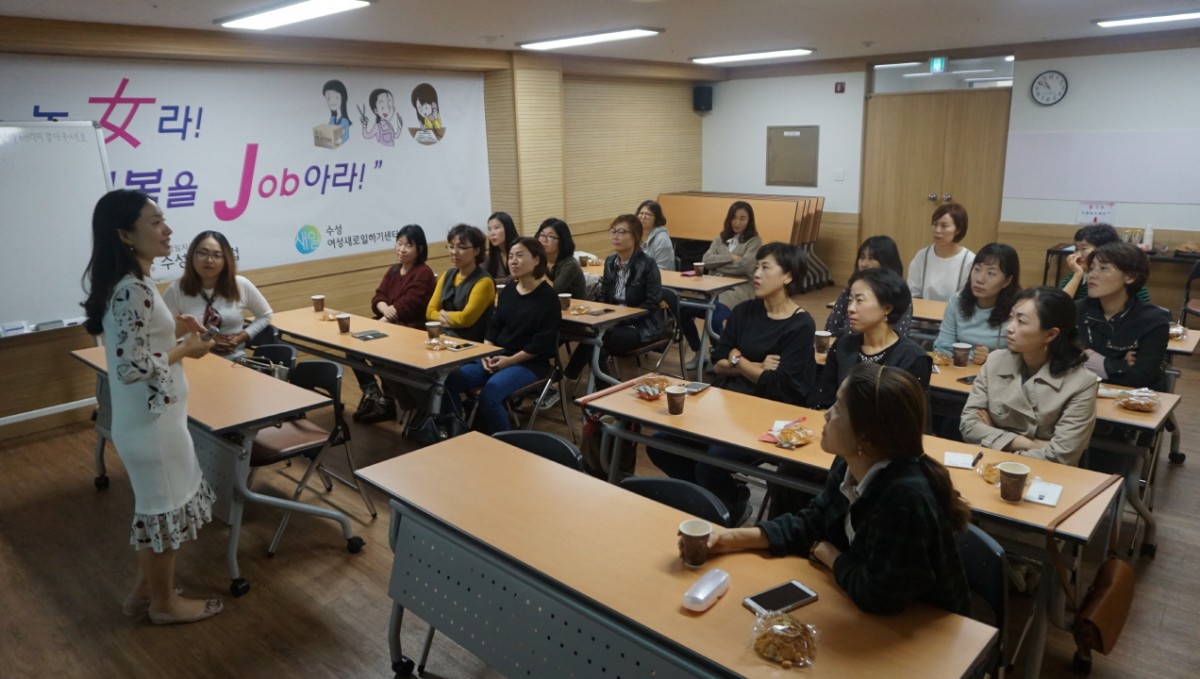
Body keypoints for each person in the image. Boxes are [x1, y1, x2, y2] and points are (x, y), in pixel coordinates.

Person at [693, 363, 972, 616]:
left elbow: (879, 597)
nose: (826, 414)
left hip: (926, 629)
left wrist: (829, 554)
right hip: (870, 613)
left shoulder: (903, 497)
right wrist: (731, 538)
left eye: (838, 408)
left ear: (865, 436)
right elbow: (811, 522)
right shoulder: (848, 463)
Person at [82, 189, 223, 624]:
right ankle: (164, 605)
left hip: (153, 421)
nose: (168, 230)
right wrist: (186, 349)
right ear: (125, 235)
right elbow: (130, 368)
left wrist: (175, 327)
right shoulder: (132, 289)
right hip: (153, 427)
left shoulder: (136, 282)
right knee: (163, 512)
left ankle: (145, 593)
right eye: (156, 222)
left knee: (162, 510)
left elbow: (140, 338)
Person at [648, 243, 817, 520]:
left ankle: (727, 505)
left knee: (709, 463)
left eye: (765, 267)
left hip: (765, 415)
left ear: (788, 276)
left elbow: (776, 384)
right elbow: (718, 363)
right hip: (725, 404)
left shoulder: (801, 325)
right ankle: (714, 499)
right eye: (756, 266)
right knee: (660, 444)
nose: (756, 273)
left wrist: (738, 360)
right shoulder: (743, 311)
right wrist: (753, 366)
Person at [961, 287, 1098, 466]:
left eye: (1021, 322)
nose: (1009, 328)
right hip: (986, 465)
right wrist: (1028, 443)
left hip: (1044, 475)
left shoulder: (1081, 383)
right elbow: (969, 425)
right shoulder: (995, 361)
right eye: (1011, 317)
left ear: (1051, 334)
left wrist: (994, 435)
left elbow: (1061, 456)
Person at [444, 237, 559, 433]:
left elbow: (542, 343)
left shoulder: (548, 297)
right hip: (497, 356)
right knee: (449, 380)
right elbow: (494, 326)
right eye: (511, 256)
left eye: (519, 256)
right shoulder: (508, 291)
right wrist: (486, 353)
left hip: (529, 363)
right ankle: (458, 431)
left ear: (536, 260)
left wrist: (509, 361)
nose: (513, 261)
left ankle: (504, 443)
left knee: (490, 394)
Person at [810, 268, 930, 409]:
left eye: (859, 300)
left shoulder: (913, 358)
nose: (850, 308)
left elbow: (908, 416)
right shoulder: (843, 344)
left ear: (887, 308)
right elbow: (822, 399)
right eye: (850, 300)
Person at [564, 214, 664, 382]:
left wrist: (620, 319)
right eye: (613, 231)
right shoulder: (610, 261)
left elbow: (652, 304)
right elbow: (604, 295)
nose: (616, 236)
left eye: (622, 232)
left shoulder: (648, 264)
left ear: (635, 236)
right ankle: (605, 391)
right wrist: (599, 315)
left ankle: (568, 377)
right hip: (613, 321)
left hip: (640, 326)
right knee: (596, 346)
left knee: (597, 340)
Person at [353, 225, 437, 423]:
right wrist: (385, 311)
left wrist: (383, 321)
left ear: (420, 248)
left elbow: (408, 305)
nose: (402, 249)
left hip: (410, 330)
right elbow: (378, 297)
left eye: (408, 245)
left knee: (379, 353)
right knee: (353, 350)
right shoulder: (393, 271)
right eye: (399, 243)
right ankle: (374, 396)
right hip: (389, 326)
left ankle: (389, 401)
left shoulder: (423, 273)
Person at [163, 231, 273, 361]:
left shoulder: (240, 284)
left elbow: (265, 315)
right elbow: (163, 335)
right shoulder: (176, 289)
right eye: (203, 253)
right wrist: (203, 343)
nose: (209, 260)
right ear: (192, 255)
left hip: (235, 361)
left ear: (226, 260)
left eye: (217, 255)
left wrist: (241, 337)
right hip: (193, 362)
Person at [1075, 242, 1169, 389]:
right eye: (1091, 268)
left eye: (1103, 268)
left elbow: (1141, 378)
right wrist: (1120, 365)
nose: (1092, 275)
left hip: (1131, 400)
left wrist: (1091, 361)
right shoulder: (1076, 310)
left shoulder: (1153, 320)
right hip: (1081, 393)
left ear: (1130, 277)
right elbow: (1058, 363)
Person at [682, 201, 763, 370]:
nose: (737, 222)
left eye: (742, 218)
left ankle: (718, 357)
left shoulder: (754, 241)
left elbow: (746, 266)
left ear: (749, 220)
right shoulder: (720, 238)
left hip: (738, 289)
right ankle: (698, 352)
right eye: (734, 218)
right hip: (712, 286)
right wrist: (731, 258)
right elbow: (706, 260)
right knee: (682, 309)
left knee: (716, 316)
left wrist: (717, 265)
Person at [932, 242, 1021, 365]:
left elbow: (1022, 357)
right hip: (958, 369)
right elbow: (943, 346)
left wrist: (990, 358)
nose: (979, 279)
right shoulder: (957, 301)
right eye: (977, 269)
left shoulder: (1017, 310)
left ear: (1007, 281)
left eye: (991, 273)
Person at [825, 235, 912, 339]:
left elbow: (898, 335)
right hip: (845, 345)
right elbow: (831, 329)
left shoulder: (897, 295)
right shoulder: (850, 290)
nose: (864, 264)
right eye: (862, 257)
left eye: (871, 258)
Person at [426, 224, 495, 342]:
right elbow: (429, 312)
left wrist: (442, 315)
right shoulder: (447, 275)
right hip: (444, 338)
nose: (454, 252)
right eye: (451, 247)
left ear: (476, 250)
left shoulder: (484, 281)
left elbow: (465, 319)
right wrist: (452, 319)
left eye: (461, 247)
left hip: (469, 343)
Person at [1059, 223, 1151, 302]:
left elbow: (1145, 311)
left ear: (1104, 249)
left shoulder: (1125, 277)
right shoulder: (1078, 274)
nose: (1077, 254)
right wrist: (1077, 275)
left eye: (1084, 248)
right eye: (1076, 249)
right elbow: (1058, 305)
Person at [907, 203, 974, 301]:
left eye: (944, 226)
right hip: (923, 310)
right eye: (935, 224)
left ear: (958, 230)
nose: (937, 230)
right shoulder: (922, 256)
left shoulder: (969, 260)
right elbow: (913, 293)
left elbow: (967, 299)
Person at [537, 217, 586, 300]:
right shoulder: (540, 259)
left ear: (562, 241)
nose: (544, 240)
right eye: (542, 235)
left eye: (550, 236)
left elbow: (554, 291)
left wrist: (537, 270)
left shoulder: (570, 264)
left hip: (572, 306)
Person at [636, 199, 675, 270]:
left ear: (656, 218)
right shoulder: (634, 235)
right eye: (641, 213)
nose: (643, 217)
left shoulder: (662, 240)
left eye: (648, 214)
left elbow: (662, 269)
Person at [484, 211, 518, 284]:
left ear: (508, 229)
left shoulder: (520, 252)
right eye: (489, 229)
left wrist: (492, 281)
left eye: (496, 228)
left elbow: (516, 277)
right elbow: (481, 277)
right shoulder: (492, 255)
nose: (492, 233)